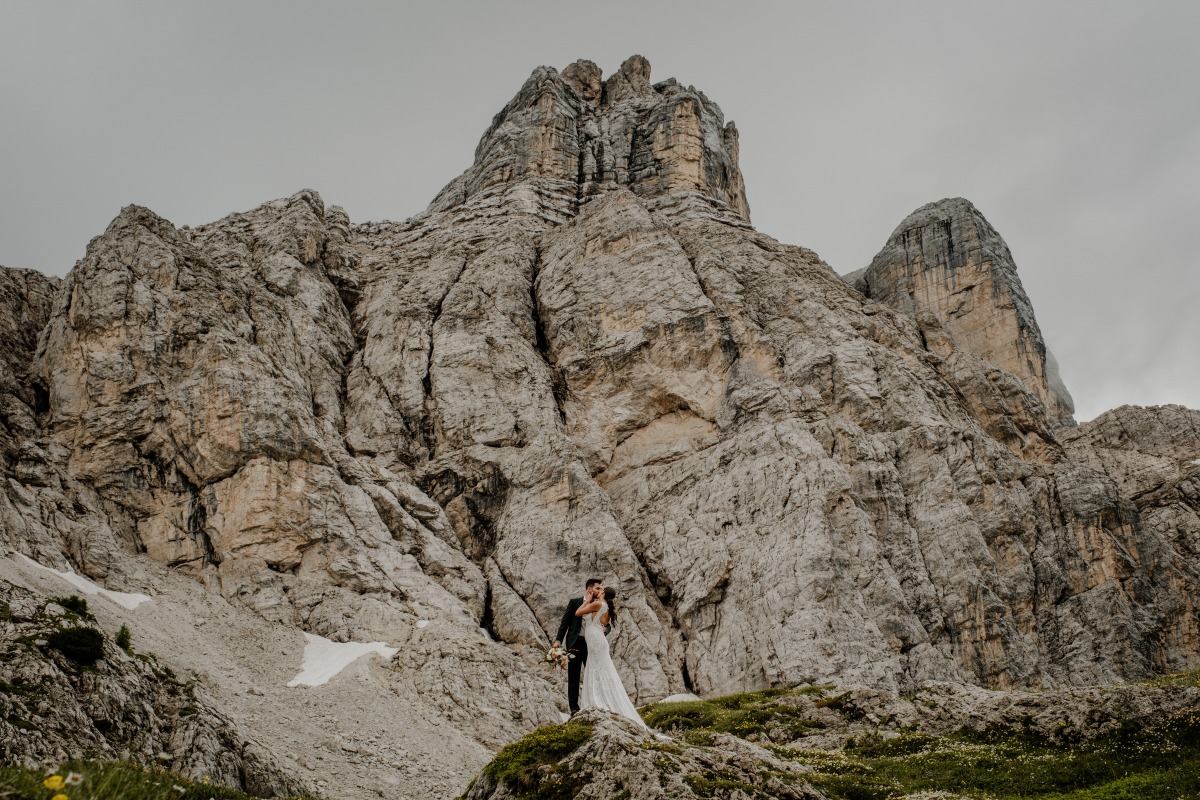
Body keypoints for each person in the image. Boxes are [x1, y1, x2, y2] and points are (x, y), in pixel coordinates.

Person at [576, 585, 647, 729]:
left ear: (602, 593)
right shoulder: (606, 608)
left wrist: (587, 600)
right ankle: (602, 699)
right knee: (601, 669)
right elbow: (601, 624)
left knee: (596, 668)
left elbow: (578, 613)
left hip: (596, 641)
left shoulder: (598, 604)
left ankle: (598, 701)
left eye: (600, 589)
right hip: (599, 640)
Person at [553, 578, 603, 716]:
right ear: (589, 589)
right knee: (573, 676)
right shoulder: (574, 602)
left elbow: (607, 624)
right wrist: (558, 640)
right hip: (575, 642)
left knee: (593, 674)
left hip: (591, 644)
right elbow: (565, 622)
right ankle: (574, 708)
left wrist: (604, 632)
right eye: (598, 588)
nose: (600, 591)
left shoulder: (599, 605)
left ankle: (596, 703)